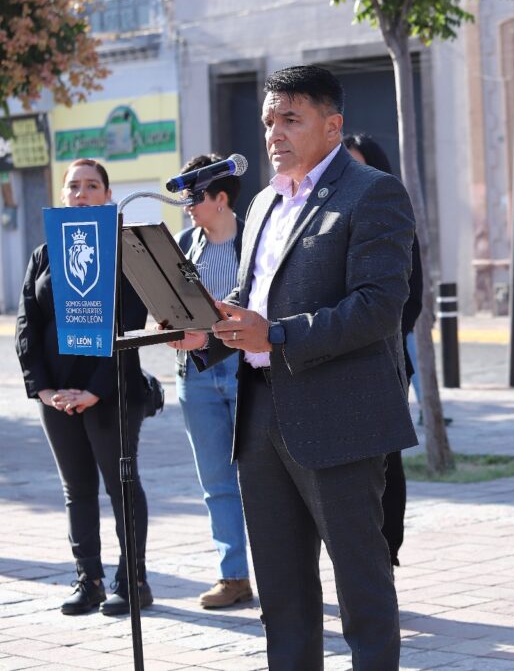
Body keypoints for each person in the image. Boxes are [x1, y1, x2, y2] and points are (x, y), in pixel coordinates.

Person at [175, 65, 417, 669]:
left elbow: (377, 307)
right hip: (258, 414)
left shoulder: (373, 192)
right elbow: (253, 306)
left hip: (340, 417)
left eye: (290, 119)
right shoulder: (261, 203)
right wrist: (207, 332)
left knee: (361, 588)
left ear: (332, 126)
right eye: (267, 121)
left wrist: (276, 334)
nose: (273, 133)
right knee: (281, 593)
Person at [15, 158, 153, 616]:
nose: (81, 194)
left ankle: (132, 581)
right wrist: (43, 390)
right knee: (77, 489)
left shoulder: (124, 251)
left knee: (121, 486)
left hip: (109, 391)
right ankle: (87, 580)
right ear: (63, 196)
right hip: (57, 396)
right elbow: (26, 327)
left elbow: (131, 327)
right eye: (73, 186)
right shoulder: (44, 253)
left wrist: (95, 389)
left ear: (108, 197)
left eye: (92, 186)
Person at [169, 155, 251, 607]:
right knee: (216, 481)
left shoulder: (254, 243)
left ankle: (283, 576)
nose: (187, 205)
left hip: (245, 370)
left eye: (195, 197)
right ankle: (233, 576)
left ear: (221, 198)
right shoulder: (184, 244)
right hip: (195, 376)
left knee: (259, 479)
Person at [342, 132, 422, 567]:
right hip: (337, 362)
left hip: (387, 360)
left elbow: (413, 296)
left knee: (386, 459)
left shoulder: (392, 210)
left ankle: (388, 549)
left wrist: (380, 334)